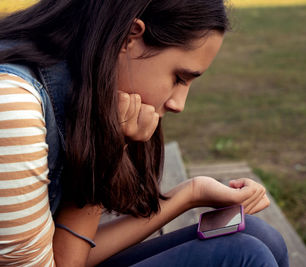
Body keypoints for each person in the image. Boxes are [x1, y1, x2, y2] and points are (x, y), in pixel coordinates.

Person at [0, 0, 288, 266]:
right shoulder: (13, 106)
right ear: (130, 36)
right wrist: (106, 157)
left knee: (260, 236)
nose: (178, 104)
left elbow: (67, 251)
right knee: (245, 255)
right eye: (179, 78)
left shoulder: (75, 86)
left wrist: (191, 193)